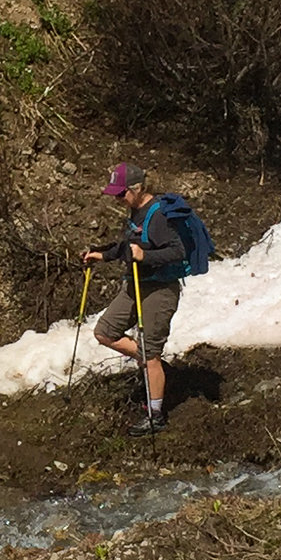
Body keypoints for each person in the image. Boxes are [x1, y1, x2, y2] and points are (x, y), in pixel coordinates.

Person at [85, 162, 187, 436]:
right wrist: (104, 255)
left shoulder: (159, 215)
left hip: (160, 289)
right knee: (105, 332)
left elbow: (178, 251)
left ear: (137, 188)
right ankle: (153, 366)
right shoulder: (135, 211)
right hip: (135, 284)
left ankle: (156, 415)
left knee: (151, 353)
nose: (118, 199)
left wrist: (147, 257)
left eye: (121, 194)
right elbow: (131, 245)